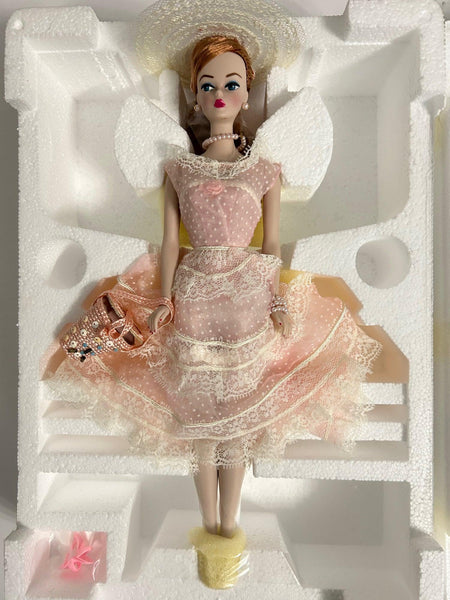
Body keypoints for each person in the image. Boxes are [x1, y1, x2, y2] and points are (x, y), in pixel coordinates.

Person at [43, 1, 383, 589]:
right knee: (200, 418)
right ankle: (212, 524)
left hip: (248, 294)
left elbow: (271, 243)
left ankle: (230, 522)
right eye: (208, 85)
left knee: (238, 419)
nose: (220, 94)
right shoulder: (180, 171)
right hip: (196, 291)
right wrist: (164, 300)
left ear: (247, 93)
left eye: (230, 83)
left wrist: (278, 299)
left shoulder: (264, 171)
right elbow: (168, 243)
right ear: (194, 98)